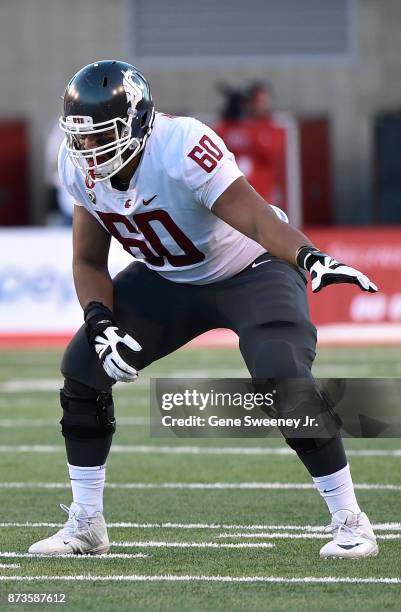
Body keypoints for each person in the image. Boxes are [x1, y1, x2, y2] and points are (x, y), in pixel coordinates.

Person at [28, 60, 378, 559]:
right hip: (168, 278)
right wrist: (100, 322)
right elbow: (87, 259)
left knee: (282, 376)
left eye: (98, 136)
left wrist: (309, 256)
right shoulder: (77, 167)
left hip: (250, 270)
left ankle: (351, 520)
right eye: (78, 137)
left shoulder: (181, 145)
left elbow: (257, 218)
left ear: (135, 125)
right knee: (83, 367)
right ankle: (86, 525)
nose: (85, 151)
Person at [214, 81, 286, 205]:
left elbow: (271, 152)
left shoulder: (273, 128)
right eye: (255, 102)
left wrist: (248, 128)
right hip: (233, 197)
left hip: (262, 198)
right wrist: (229, 117)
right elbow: (215, 142)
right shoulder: (233, 127)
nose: (259, 106)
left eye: (262, 101)